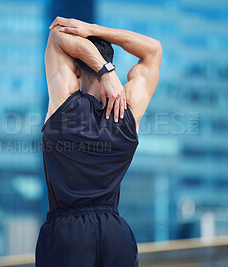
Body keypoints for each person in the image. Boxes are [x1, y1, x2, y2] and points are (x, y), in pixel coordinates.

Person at [36, 16, 162, 267]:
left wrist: (103, 70)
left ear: (76, 70)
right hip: (115, 235)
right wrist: (95, 31)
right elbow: (153, 50)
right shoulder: (128, 112)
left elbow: (57, 36)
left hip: (67, 236)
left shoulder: (65, 104)